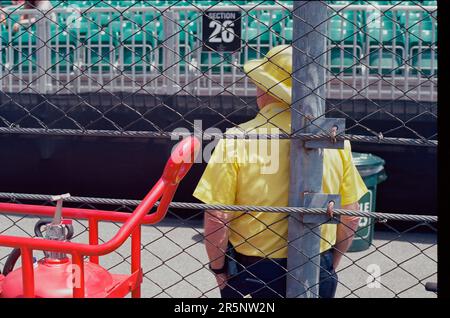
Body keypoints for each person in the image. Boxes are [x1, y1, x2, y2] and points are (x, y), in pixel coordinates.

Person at [193, 45, 368, 298]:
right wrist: (329, 264)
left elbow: (217, 216)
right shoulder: (333, 141)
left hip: (254, 270)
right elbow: (351, 216)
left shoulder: (237, 139)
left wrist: (218, 269)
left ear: (264, 89)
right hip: (318, 262)